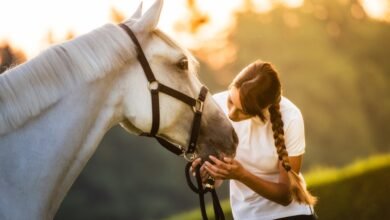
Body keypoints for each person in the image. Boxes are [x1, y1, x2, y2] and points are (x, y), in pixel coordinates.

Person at [192, 60, 317, 220]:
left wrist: (242, 175)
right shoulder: (216, 106)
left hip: (292, 216)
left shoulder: (290, 117)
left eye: (242, 111)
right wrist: (207, 173)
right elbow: (215, 181)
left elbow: (285, 196)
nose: (230, 113)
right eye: (231, 101)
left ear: (262, 110)